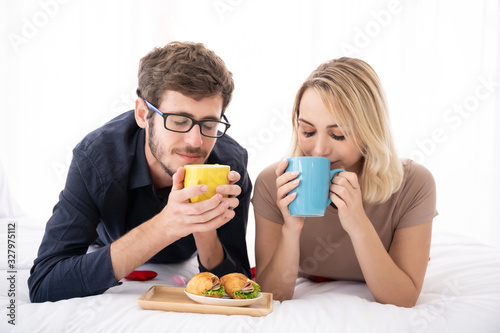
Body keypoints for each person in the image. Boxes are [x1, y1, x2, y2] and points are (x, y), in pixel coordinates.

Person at [28, 41, 252, 302]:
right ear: (143, 114)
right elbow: (45, 282)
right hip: (107, 242)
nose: (195, 141)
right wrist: (164, 226)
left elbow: (238, 283)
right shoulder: (97, 159)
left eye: (210, 124)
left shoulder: (229, 165)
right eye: (179, 121)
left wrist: (204, 228)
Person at [252, 57, 437, 307]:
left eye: (338, 134)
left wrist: (358, 223)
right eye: (307, 131)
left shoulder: (414, 184)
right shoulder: (272, 183)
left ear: (370, 130)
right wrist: (290, 229)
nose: (318, 150)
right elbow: (273, 295)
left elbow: (403, 298)